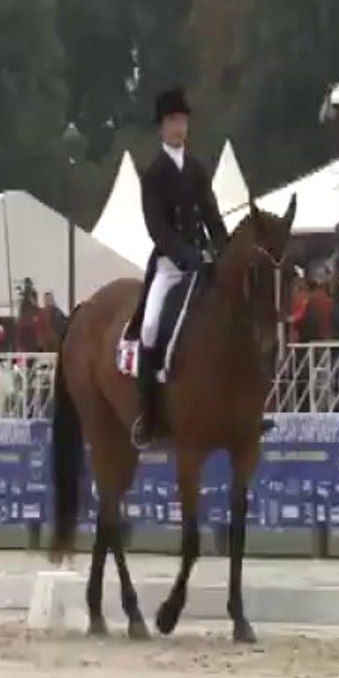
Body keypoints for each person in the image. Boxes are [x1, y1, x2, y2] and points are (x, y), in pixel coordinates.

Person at [136, 87, 228, 446]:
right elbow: (156, 227)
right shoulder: (154, 173)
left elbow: (212, 215)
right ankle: (149, 415)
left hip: (201, 261)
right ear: (161, 127)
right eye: (173, 120)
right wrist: (182, 255)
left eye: (184, 120)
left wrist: (223, 248)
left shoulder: (197, 168)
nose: (180, 127)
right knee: (149, 327)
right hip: (169, 264)